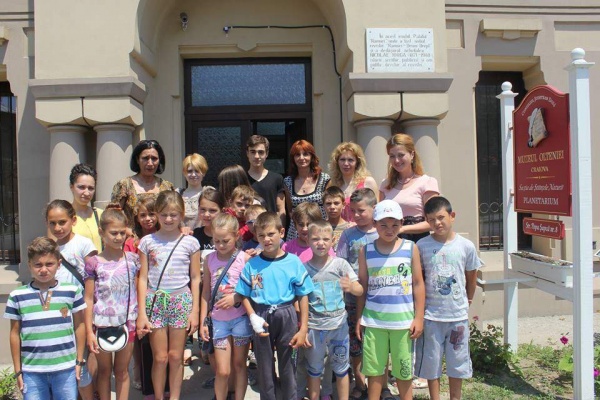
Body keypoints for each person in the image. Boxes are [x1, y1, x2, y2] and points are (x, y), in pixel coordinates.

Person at [234, 212, 314, 400]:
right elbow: (243, 294)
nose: (266, 239)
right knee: (264, 366)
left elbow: (303, 295)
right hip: (261, 316)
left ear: (282, 232)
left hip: (287, 315)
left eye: (271, 234)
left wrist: (303, 328)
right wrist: (252, 316)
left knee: (288, 366)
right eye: (261, 235)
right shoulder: (252, 264)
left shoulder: (293, 262)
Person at [355, 200, 425, 400]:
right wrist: (359, 318)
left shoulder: (410, 248)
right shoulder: (366, 251)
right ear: (374, 224)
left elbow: (418, 283)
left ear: (401, 223)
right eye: (383, 224)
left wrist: (419, 317)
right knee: (374, 370)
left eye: (394, 224)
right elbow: (363, 285)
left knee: (403, 371)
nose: (389, 229)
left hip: (403, 323)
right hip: (374, 322)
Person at [415, 196, 481, 400]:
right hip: (431, 317)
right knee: (431, 363)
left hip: (457, 317)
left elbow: (471, 277)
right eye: (431, 220)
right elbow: (419, 279)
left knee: (457, 363)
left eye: (441, 217)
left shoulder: (466, 246)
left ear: (452, 216)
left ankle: (455, 397)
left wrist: (468, 300)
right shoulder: (421, 246)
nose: (437, 223)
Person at [136, 191, 201, 400]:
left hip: (181, 301)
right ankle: (158, 395)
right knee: (160, 357)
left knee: (175, 356)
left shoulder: (191, 243)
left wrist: (195, 311)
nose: (169, 219)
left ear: (181, 214)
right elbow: (143, 278)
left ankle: (174, 397)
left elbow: (195, 278)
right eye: (164, 214)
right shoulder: (147, 242)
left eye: (174, 214)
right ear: (156, 214)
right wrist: (142, 313)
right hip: (155, 301)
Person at [5, 236, 87, 400]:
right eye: (38, 265)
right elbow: (14, 334)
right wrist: (18, 370)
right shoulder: (17, 296)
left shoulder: (72, 291)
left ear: (59, 264)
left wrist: (78, 362)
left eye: (49, 264)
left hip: (65, 369)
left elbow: (80, 326)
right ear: (30, 265)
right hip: (32, 371)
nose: (43, 270)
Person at [84, 206, 140, 400]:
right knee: (104, 371)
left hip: (127, 322)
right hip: (101, 324)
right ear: (102, 233)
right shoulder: (94, 263)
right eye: (113, 233)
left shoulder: (133, 260)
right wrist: (89, 331)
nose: (118, 237)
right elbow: (88, 298)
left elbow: (137, 290)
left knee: (122, 371)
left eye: (122, 233)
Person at [304, 219, 363, 400]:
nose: (320, 243)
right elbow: (301, 299)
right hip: (315, 328)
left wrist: (351, 287)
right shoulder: (304, 269)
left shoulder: (340, 265)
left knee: (341, 369)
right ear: (308, 240)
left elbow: (360, 290)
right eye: (315, 239)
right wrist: (303, 328)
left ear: (333, 240)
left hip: (339, 328)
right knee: (314, 370)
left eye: (325, 239)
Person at [45, 199, 97, 399]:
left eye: (62, 222)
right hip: (58, 314)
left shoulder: (84, 244)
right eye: (52, 223)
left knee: (82, 360)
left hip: (81, 312)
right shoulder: (49, 248)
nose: (57, 228)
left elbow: (94, 278)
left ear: (73, 221)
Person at [200, 213, 252, 400]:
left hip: (240, 319)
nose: (220, 245)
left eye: (225, 241)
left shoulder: (245, 259)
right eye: (216, 241)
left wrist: (236, 297)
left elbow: (252, 290)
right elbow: (206, 292)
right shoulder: (209, 259)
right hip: (218, 321)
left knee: (239, 365)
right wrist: (203, 321)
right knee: (222, 370)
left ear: (236, 236)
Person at [335, 188, 378, 400]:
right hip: (352, 300)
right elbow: (340, 263)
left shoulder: (382, 232)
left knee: (377, 343)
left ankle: (380, 385)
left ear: (374, 208)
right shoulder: (348, 234)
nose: (356, 215)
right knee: (356, 341)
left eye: (361, 210)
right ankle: (360, 384)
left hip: (378, 299)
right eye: (353, 211)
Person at [379, 133, 439, 243]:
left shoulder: (427, 182)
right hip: (390, 243)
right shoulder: (385, 185)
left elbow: (434, 221)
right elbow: (380, 219)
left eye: (401, 155)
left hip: (418, 243)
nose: (396, 160)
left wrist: (402, 229)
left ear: (412, 154)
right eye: (392, 156)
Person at [111, 139, 175, 226]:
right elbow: (114, 217)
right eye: (145, 158)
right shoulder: (124, 185)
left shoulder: (167, 187)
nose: (150, 163)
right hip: (131, 234)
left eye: (154, 158)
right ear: (137, 159)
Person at [284, 140, 330, 241]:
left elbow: (329, 205)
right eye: (297, 155)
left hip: (319, 230)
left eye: (305, 154)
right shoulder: (288, 181)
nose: (301, 158)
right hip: (297, 232)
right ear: (293, 158)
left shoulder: (324, 179)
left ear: (312, 156)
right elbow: (290, 209)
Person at [327, 142, 378, 223]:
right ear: (337, 162)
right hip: (340, 230)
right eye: (342, 160)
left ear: (357, 162)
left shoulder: (368, 182)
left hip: (363, 229)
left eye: (350, 160)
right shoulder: (333, 184)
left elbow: (377, 211)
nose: (346, 164)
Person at [246, 135, 286, 225]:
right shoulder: (241, 178)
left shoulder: (277, 178)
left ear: (266, 154)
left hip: (271, 228)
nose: (257, 156)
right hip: (247, 229)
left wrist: (280, 230)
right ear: (247, 153)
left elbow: (281, 210)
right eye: (252, 152)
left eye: (261, 152)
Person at [70, 163, 104, 251]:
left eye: (91, 188)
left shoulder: (101, 215)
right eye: (81, 187)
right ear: (71, 187)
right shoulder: (63, 215)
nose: (87, 193)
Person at [177, 153, 209, 229]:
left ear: (203, 172)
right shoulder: (177, 194)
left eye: (197, 171)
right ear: (184, 173)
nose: (193, 175)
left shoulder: (208, 193)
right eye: (190, 171)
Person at [322, 186, 353, 252]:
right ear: (323, 205)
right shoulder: (319, 228)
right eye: (328, 203)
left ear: (343, 205)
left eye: (336, 203)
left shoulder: (350, 228)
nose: (332, 207)